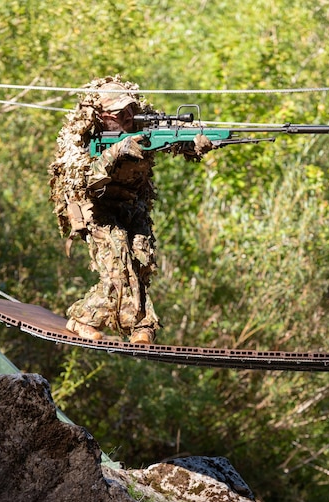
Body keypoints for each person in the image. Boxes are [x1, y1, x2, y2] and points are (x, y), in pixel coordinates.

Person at [49, 75, 211, 344]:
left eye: (129, 110)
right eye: (117, 113)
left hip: (131, 204)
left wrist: (196, 144)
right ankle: (82, 319)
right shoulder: (79, 137)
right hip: (95, 208)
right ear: (100, 116)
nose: (126, 117)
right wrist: (117, 151)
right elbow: (83, 182)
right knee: (117, 260)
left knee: (141, 259)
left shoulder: (144, 120)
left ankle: (141, 326)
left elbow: (176, 137)